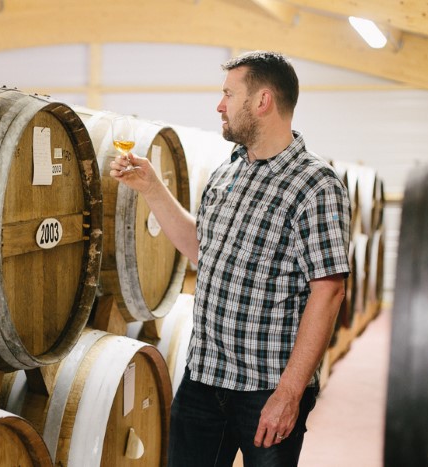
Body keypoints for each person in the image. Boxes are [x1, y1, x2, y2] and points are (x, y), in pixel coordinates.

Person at [110, 51, 351, 466]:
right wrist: (151, 187)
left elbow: (327, 292)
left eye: (228, 94)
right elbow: (202, 248)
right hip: (204, 378)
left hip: (267, 389)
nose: (219, 105)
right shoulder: (229, 171)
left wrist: (290, 394)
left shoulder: (316, 184)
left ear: (262, 101)